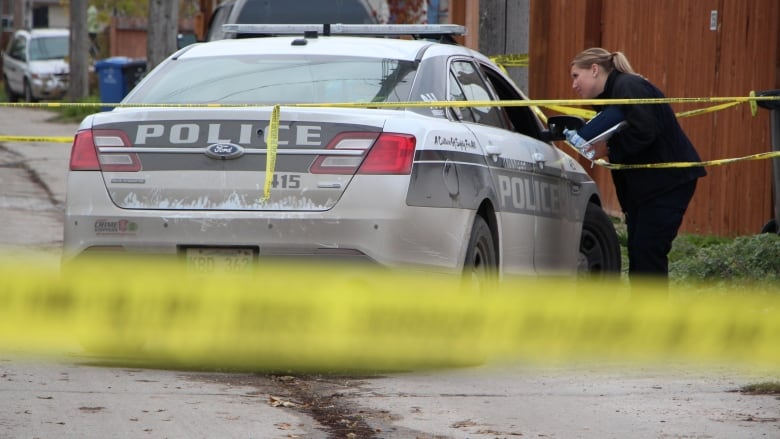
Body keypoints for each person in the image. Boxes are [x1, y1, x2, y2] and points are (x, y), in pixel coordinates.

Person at [569, 47, 706, 280]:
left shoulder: (628, 87)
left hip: (667, 184)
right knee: (638, 253)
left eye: (575, 76)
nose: (573, 85)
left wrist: (609, 149)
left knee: (648, 254)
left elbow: (645, 131)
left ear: (594, 70)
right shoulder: (610, 97)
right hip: (646, 190)